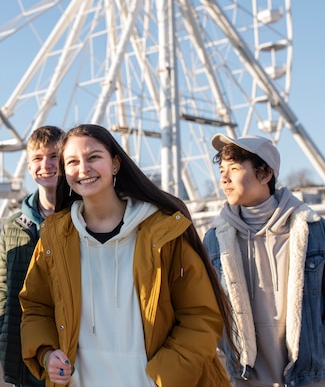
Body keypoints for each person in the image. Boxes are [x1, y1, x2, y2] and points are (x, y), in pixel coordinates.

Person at [19, 124, 235, 387]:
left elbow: (200, 315)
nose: (83, 169)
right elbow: (36, 307)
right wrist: (46, 352)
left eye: (94, 157)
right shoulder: (54, 238)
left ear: (115, 164)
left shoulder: (163, 232)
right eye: (73, 162)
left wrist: (165, 377)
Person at [204, 133, 325, 386]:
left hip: (309, 376)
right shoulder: (215, 238)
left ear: (265, 174)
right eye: (222, 169)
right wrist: (226, 342)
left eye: (234, 168)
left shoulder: (315, 230)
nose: (224, 178)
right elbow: (206, 303)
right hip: (246, 378)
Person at [0, 125, 64, 387]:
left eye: (53, 156)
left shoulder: (81, 219)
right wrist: (4, 334)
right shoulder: (13, 226)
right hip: (23, 351)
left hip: (69, 348)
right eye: (37, 158)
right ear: (28, 167)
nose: (45, 165)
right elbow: (3, 287)